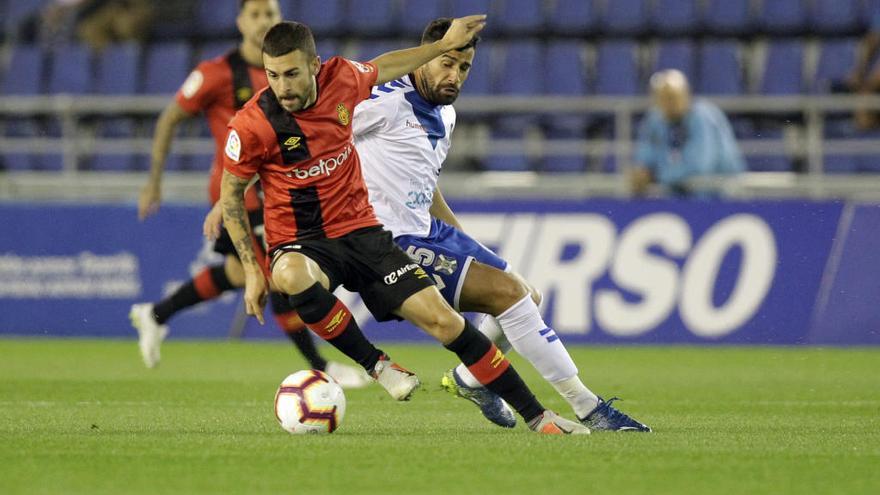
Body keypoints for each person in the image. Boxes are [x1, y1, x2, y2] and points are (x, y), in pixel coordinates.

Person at [221, 18, 588, 434]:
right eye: (273, 76)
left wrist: (442, 47)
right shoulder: (252, 125)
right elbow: (231, 194)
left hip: (364, 234)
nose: (282, 87)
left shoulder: (342, 80)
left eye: (291, 74)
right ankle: (377, 365)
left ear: (314, 66)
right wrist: (253, 270)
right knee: (288, 274)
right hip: (305, 242)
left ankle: (539, 417)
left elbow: (388, 65)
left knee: (447, 323)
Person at [351, 18, 649, 432]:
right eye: (446, 63)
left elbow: (424, 182)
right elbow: (322, 142)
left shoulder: (447, 114)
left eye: (464, 68)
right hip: (389, 240)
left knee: (529, 294)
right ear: (423, 58)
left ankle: (470, 379)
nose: (454, 76)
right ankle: (589, 408)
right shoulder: (380, 104)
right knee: (508, 295)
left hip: (428, 229)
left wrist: (461, 239)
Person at [129, 0, 368, 388]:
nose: (262, 22)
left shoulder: (297, 75)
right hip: (242, 196)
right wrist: (153, 181)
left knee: (242, 271)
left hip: (283, 191)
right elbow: (170, 117)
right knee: (276, 279)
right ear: (241, 22)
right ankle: (322, 367)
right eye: (255, 15)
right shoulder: (215, 74)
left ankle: (155, 314)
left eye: (270, 15)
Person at [630, 69, 745, 198]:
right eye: (662, 98)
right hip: (681, 194)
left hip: (721, 195)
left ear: (686, 95)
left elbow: (699, 165)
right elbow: (646, 153)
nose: (669, 103)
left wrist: (656, 175)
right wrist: (642, 170)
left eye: (672, 97)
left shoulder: (703, 117)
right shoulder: (656, 119)